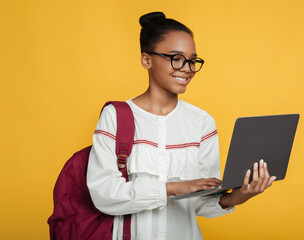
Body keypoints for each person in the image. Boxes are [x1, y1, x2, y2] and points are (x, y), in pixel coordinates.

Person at [86, 11, 277, 240]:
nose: (187, 68)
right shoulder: (115, 117)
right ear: (147, 60)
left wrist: (240, 195)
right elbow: (104, 195)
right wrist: (172, 188)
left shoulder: (202, 122)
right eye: (176, 58)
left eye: (192, 60)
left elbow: (200, 203)